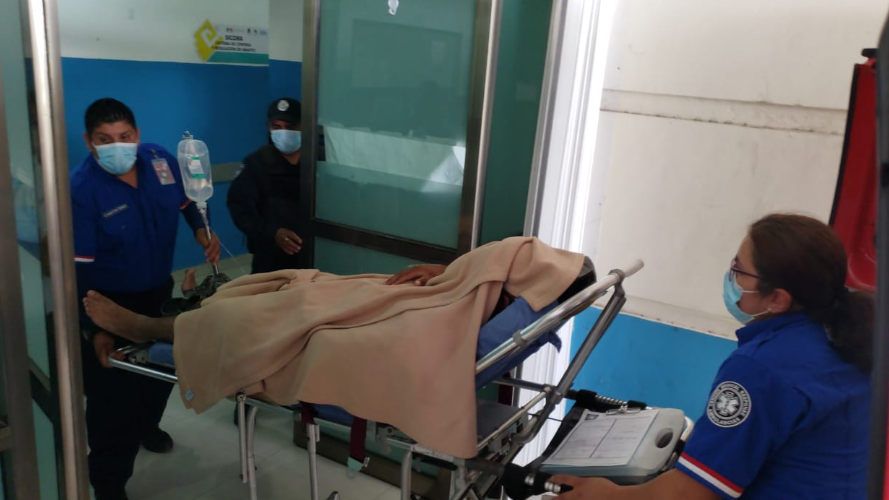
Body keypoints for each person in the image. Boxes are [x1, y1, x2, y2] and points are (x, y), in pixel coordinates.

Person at [553, 214, 872, 500]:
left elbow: (691, 494)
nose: (730, 278)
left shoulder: (761, 368)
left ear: (777, 299)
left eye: (738, 270)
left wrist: (608, 494)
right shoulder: (844, 336)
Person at [70, 98, 220, 500]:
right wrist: (96, 329)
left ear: (137, 135)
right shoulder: (81, 190)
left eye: (124, 136)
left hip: (158, 292)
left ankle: (146, 426)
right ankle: (108, 483)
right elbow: (76, 274)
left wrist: (201, 229)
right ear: (88, 141)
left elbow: (188, 202)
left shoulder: (159, 162)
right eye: (104, 139)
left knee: (161, 372)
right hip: (108, 302)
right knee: (111, 401)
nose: (116, 146)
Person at [227, 97, 304, 274]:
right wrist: (272, 233)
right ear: (269, 128)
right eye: (276, 127)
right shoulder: (256, 164)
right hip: (269, 259)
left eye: (290, 127)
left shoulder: (316, 163)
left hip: (314, 256)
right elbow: (240, 209)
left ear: (303, 127)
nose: (283, 133)